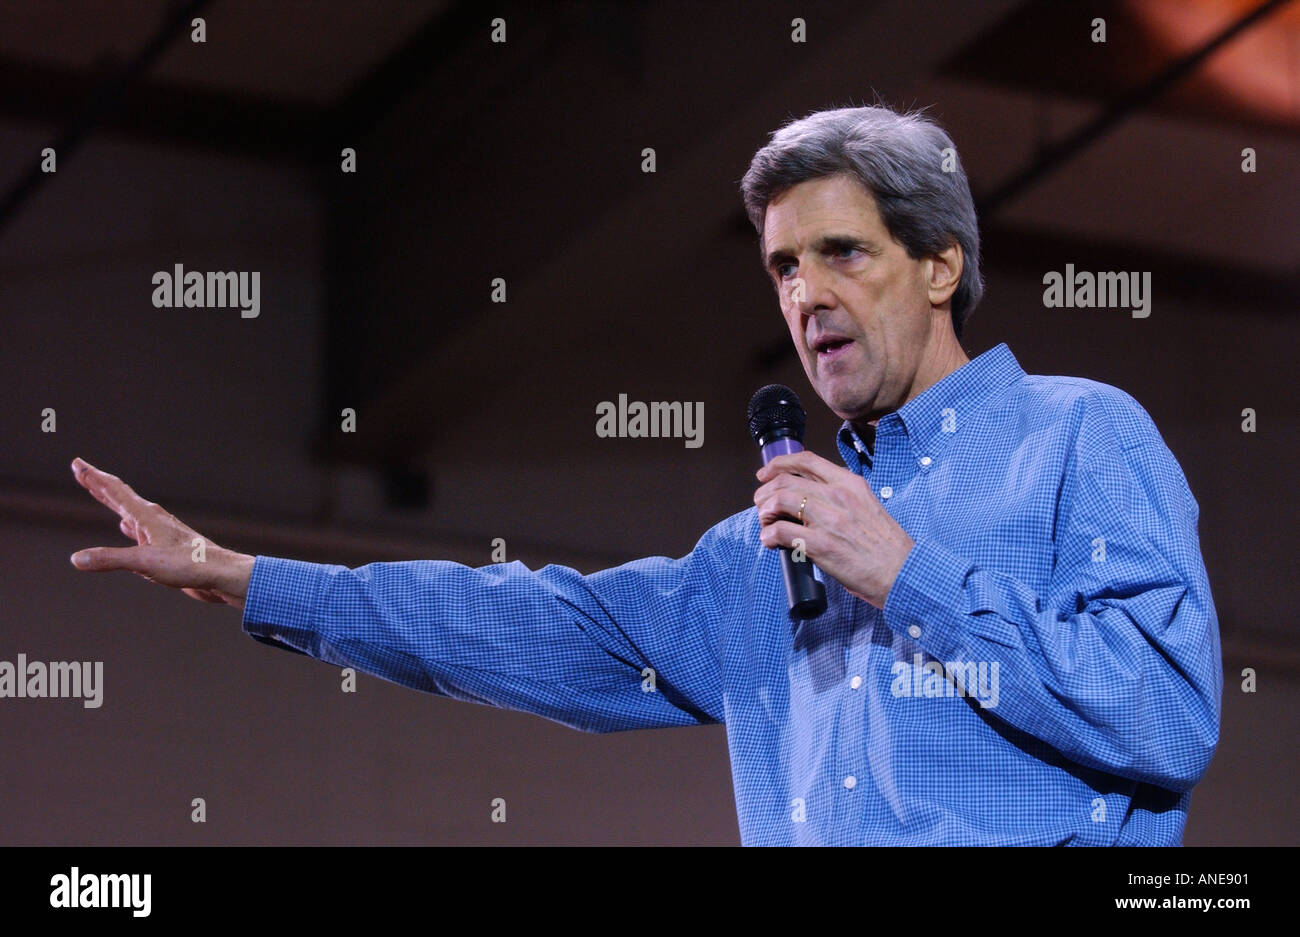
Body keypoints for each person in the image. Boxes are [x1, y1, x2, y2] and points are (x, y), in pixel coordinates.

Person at [68, 104, 1221, 846]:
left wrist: (905, 572)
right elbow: (535, 624)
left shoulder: (1075, 439)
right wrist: (251, 579)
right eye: (781, 266)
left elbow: (1167, 715)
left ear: (938, 265)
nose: (805, 294)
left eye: (842, 253)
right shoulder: (772, 547)